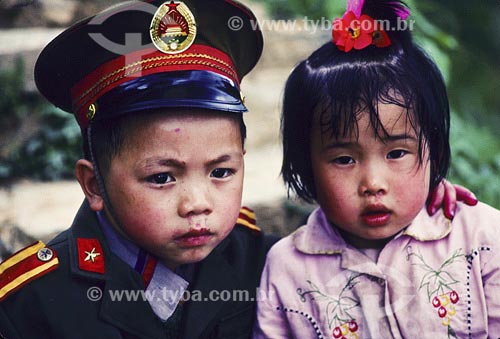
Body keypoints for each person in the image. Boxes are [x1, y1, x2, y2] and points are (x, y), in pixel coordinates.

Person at [0, 0, 475, 338]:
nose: (198, 204)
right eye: (162, 177)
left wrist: (423, 205)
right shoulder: (32, 304)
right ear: (93, 183)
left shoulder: (268, 262)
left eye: (221, 171)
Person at [252, 0, 499, 338]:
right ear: (305, 162)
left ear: (434, 147)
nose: (373, 183)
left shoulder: (481, 237)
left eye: (397, 153)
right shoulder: (288, 270)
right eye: (344, 159)